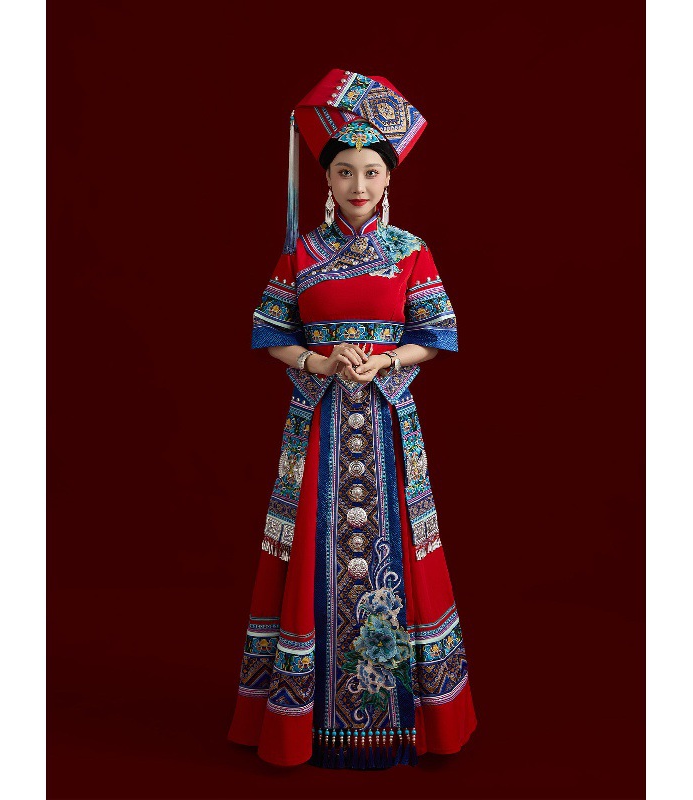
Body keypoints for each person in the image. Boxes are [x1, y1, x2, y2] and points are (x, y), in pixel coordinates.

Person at [226, 69, 478, 770]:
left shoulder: (412, 251)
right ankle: (300, 723)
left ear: (388, 178)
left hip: (389, 425)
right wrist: (320, 360)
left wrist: (388, 359)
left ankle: (405, 718)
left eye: (370, 171)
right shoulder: (300, 252)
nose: (358, 184)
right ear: (328, 180)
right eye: (344, 172)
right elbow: (269, 332)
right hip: (319, 423)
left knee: (399, 552)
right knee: (311, 549)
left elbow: (438, 334)